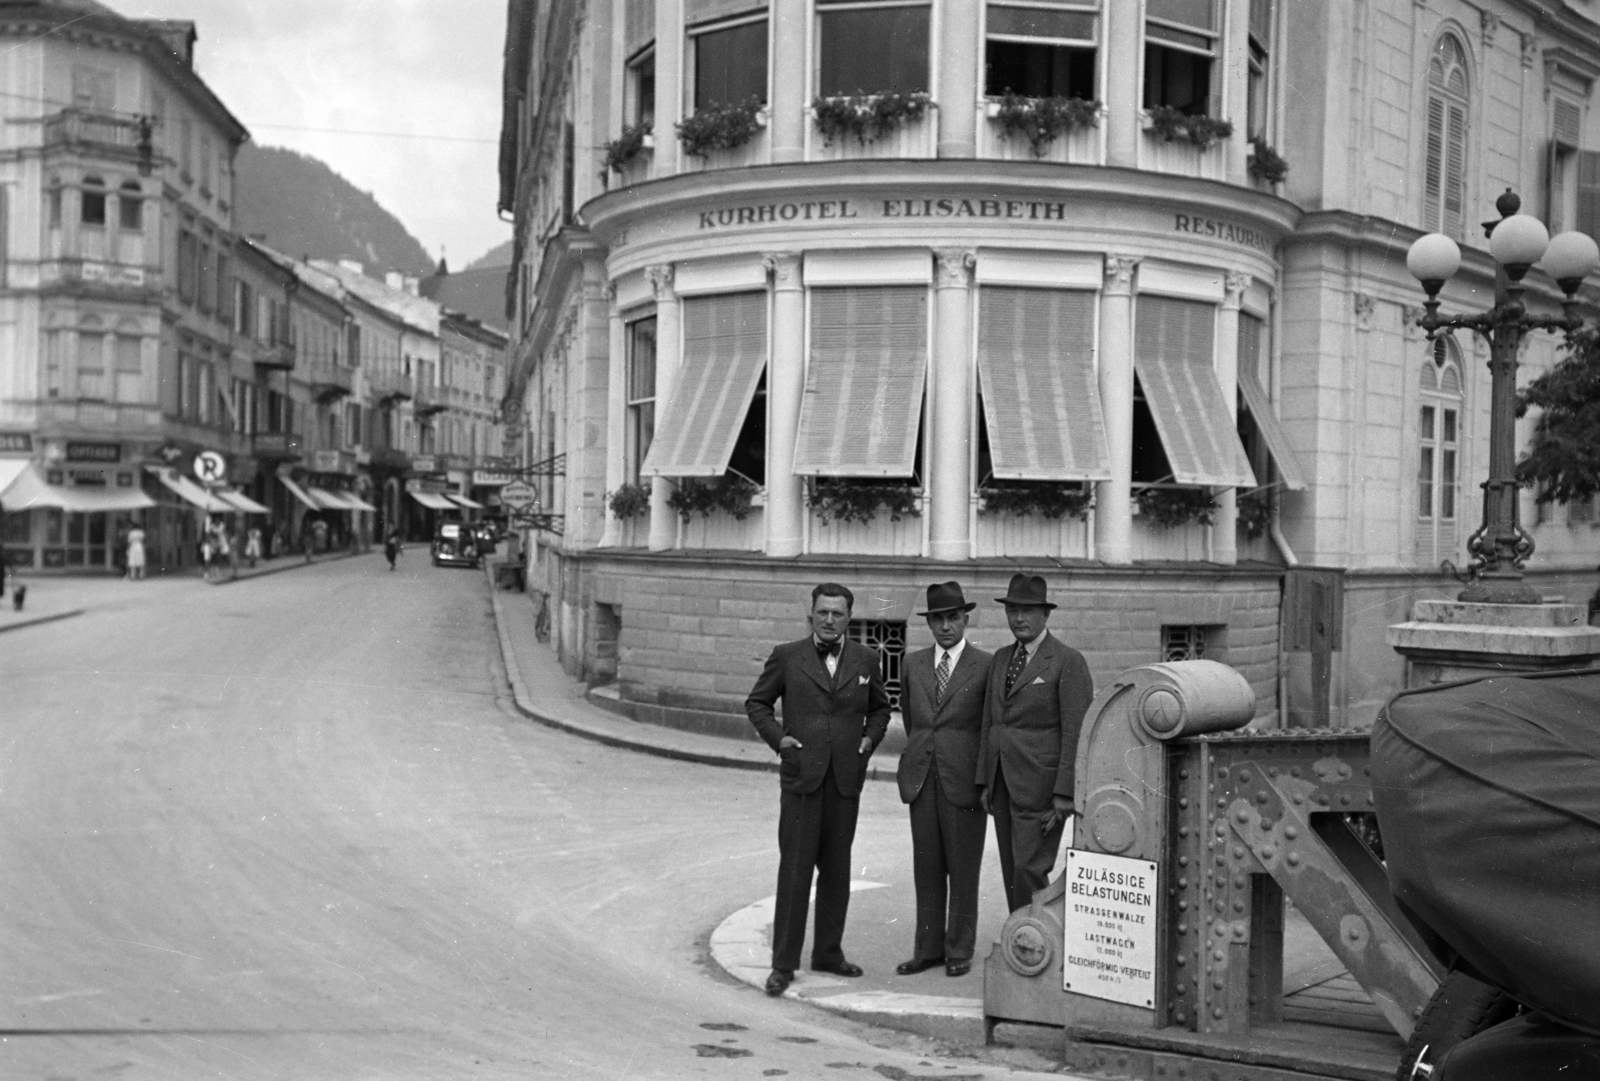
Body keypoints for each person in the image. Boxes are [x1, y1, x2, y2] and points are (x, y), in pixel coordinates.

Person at [746, 583, 891, 998]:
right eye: (823, 612)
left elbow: (881, 708)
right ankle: (783, 964)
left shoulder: (866, 658)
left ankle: (828, 952)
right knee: (794, 872)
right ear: (811, 614)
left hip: (845, 780)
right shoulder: (787, 657)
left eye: (838, 614)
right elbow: (757, 703)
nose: (830, 620)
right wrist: (779, 740)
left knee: (837, 870)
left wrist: (869, 740)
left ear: (849, 617)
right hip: (802, 780)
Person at [975, 573, 1095, 913]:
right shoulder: (1000, 658)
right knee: (1013, 868)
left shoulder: (1067, 661)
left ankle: (1037, 941)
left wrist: (1065, 791)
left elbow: (1076, 731)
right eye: (1012, 610)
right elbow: (991, 722)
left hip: (1042, 787)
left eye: (1027, 611)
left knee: (1031, 869)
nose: (1019, 618)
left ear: (1045, 615)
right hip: (1002, 782)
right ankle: (1021, 935)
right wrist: (985, 779)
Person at [895, 582, 991, 979]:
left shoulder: (985, 665)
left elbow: (988, 728)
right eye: (939, 619)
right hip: (922, 777)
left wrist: (984, 781)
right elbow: (911, 718)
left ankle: (959, 949)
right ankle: (928, 948)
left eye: (953, 618)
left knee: (963, 868)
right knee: (927, 866)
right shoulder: (913, 663)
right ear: (929, 623)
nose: (946, 626)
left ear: (965, 619)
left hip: (963, 779)